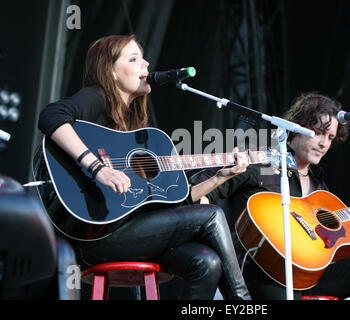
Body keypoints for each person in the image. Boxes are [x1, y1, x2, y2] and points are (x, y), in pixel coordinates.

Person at [37, 34, 251, 300]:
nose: (146, 64)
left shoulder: (140, 130)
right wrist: (97, 168)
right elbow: (51, 116)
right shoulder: (97, 98)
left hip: (139, 233)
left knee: (207, 263)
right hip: (97, 237)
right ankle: (243, 303)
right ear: (111, 72)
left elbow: (177, 201)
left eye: (143, 57)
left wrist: (220, 176)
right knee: (211, 214)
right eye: (134, 58)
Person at [192, 92, 350, 300]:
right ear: (297, 127)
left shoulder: (320, 188)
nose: (324, 144)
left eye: (331, 137)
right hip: (263, 270)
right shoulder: (260, 160)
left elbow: (332, 253)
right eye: (318, 132)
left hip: (307, 274)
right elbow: (200, 192)